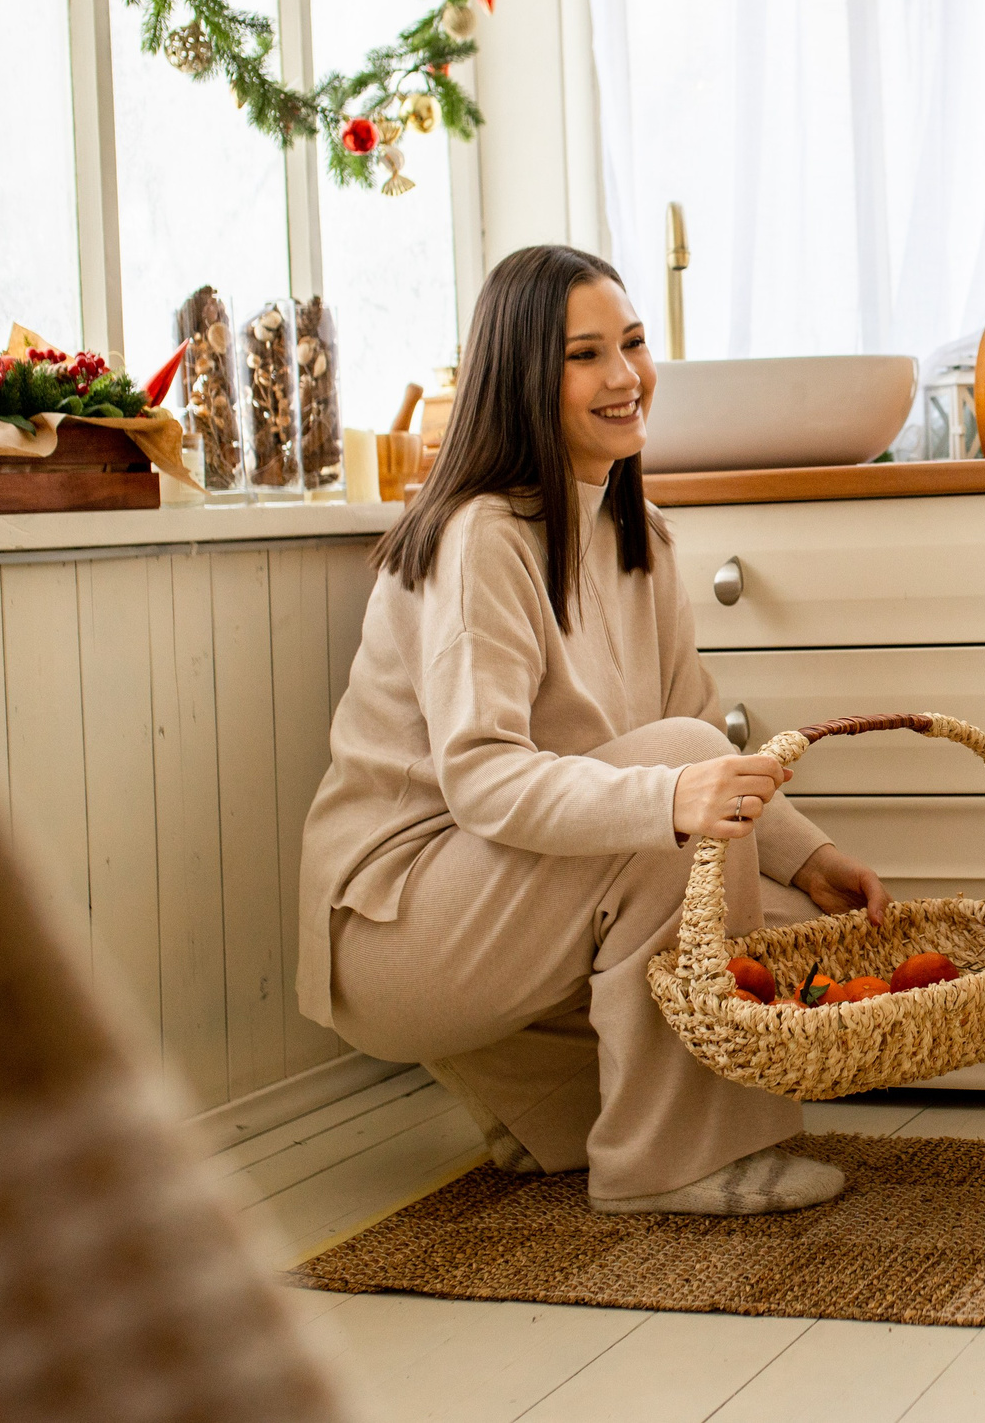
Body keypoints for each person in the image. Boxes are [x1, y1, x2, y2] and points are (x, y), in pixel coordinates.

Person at [298, 243, 891, 1215]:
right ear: (521, 376)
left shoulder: (635, 531)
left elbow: (693, 729)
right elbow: (484, 777)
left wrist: (806, 853)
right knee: (680, 811)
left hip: (507, 903)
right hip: (400, 926)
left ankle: (526, 1089)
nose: (624, 376)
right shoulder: (481, 536)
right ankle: (674, 1166)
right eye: (585, 355)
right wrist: (669, 797)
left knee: (777, 917)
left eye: (633, 343)